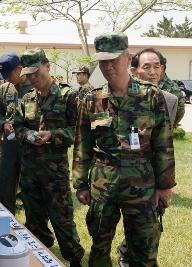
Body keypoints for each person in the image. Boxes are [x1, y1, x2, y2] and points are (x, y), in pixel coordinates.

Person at [72, 32, 175, 266]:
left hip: (141, 182)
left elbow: (164, 145)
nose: (107, 66)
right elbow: (82, 145)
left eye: (114, 60)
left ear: (128, 58)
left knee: (144, 248)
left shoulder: (151, 96)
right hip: (103, 182)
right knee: (99, 246)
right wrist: (80, 183)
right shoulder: (92, 99)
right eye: (103, 61)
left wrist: (165, 186)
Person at [12, 48, 84, 267]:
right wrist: (26, 134)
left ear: (47, 66)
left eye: (36, 73)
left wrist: (53, 135)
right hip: (30, 171)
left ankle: (74, 258)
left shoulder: (68, 95)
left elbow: (79, 132)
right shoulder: (28, 98)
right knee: (33, 220)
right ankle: (39, 256)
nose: (32, 78)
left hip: (54, 173)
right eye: (29, 74)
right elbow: (17, 125)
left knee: (62, 219)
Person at [0, 52, 33, 214]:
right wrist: (3, 124)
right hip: (9, 146)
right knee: (6, 186)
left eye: (9, 74)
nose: (7, 78)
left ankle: (32, 228)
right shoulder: (4, 88)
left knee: (30, 189)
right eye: (4, 75)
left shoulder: (35, 87)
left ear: (20, 69)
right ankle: (6, 220)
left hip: (30, 146)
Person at [131, 48, 178, 128]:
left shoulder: (170, 100)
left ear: (162, 69)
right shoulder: (122, 95)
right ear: (134, 71)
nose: (153, 72)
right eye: (146, 67)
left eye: (156, 67)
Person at [158, 57, 185, 127]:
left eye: (155, 66)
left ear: (162, 68)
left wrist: (169, 126)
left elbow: (180, 111)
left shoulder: (172, 88)